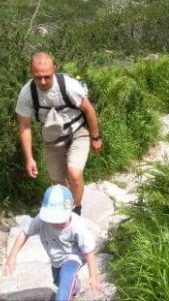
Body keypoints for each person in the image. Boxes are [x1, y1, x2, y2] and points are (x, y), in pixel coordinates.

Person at [16, 53, 102, 215]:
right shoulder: (27, 93)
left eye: (47, 77)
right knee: (57, 181)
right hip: (52, 137)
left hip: (78, 131)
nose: (42, 81)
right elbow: (25, 127)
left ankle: (75, 211)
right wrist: (29, 158)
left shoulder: (69, 86)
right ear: (31, 72)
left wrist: (95, 137)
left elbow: (89, 110)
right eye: (37, 77)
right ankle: (65, 207)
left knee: (74, 174)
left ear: (54, 69)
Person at [3, 184, 104, 300]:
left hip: (73, 257)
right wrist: (12, 256)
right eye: (53, 219)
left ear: (71, 208)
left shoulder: (77, 225)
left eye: (61, 218)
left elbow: (89, 250)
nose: (58, 223)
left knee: (66, 277)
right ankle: (74, 286)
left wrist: (93, 275)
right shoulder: (41, 220)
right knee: (59, 281)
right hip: (56, 259)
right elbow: (24, 233)